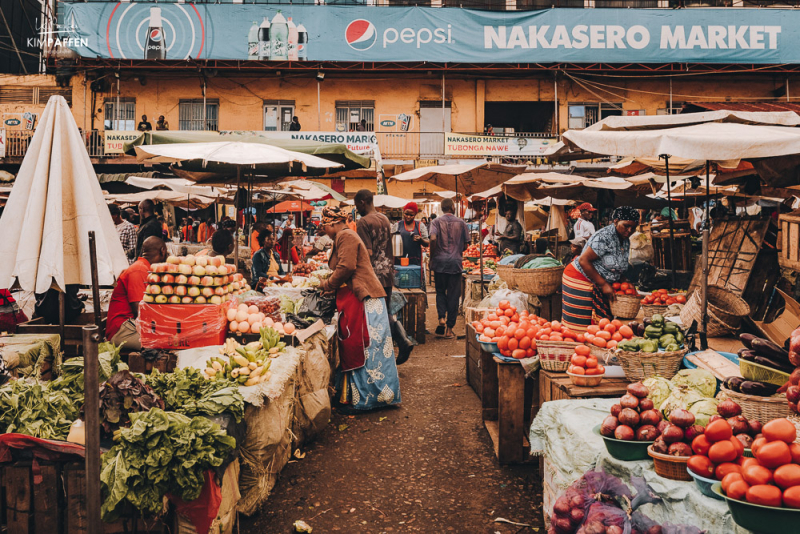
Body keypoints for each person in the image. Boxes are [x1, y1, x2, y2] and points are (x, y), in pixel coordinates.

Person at [317, 206, 401, 412]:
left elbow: (346, 267)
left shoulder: (345, 236)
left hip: (365, 300)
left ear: (333, 223)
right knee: (361, 347)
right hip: (360, 298)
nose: (324, 230)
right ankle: (355, 397)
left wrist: (327, 284)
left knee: (366, 349)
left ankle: (368, 399)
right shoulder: (346, 236)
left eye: (325, 226)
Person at [561, 207, 640, 333]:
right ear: (615, 221)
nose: (629, 230)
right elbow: (583, 260)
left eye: (633, 227)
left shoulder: (625, 240)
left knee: (602, 325)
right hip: (580, 277)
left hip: (598, 279)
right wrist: (603, 284)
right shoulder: (604, 237)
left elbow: (618, 264)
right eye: (626, 226)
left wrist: (624, 281)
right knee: (582, 326)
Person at [106, 236, 167, 350]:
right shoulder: (138, 270)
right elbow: (140, 311)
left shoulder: (144, 268)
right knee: (167, 343)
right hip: (123, 330)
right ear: (163, 251)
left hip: (132, 326)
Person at [429, 198, 469, 340]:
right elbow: (465, 245)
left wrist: (433, 256)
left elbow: (433, 239)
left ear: (442, 208)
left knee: (440, 291)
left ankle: (441, 318)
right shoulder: (462, 223)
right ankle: (449, 330)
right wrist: (457, 250)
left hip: (439, 262)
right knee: (453, 295)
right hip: (455, 263)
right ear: (452, 207)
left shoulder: (435, 222)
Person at [392, 200, 430, 270]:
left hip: (415, 260)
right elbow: (391, 240)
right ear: (403, 213)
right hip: (399, 260)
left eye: (411, 215)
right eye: (406, 214)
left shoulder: (420, 226)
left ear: (415, 215)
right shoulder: (397, 225)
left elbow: (427, 243)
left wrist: (420, 239)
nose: (408, 217)